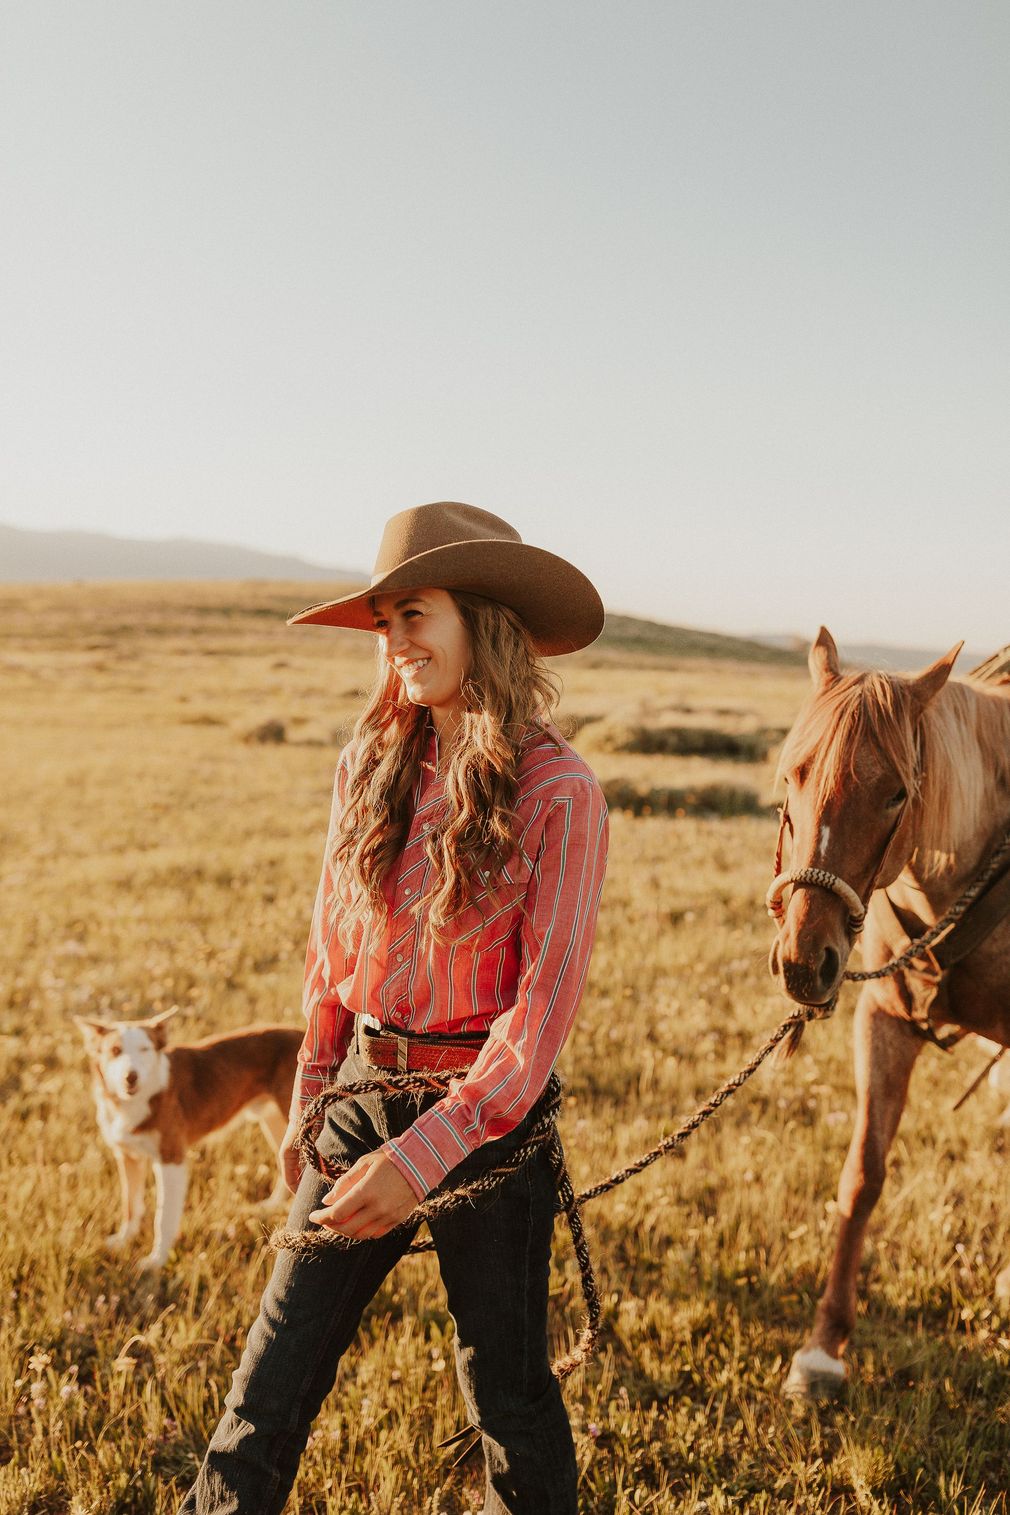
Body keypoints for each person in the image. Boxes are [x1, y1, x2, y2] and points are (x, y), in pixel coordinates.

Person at [179, 501, 609, 1515]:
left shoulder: (558, 793)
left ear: (483, 620)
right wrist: (312, 1102)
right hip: (363, 1093)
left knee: (505, 1392)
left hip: (487, 1128)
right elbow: (332, 958)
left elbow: (536, 1022)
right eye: (383, 623)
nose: (395, 642)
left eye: (413, 613)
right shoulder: (367, 766)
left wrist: (420, 1161)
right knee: (264, 1392)